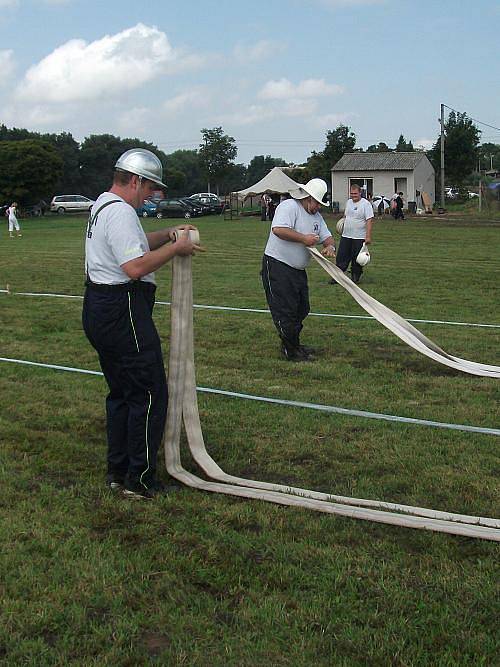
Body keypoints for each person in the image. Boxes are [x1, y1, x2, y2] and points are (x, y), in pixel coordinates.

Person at [82, 148, 201, 500]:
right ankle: (140, 478)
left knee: (122, 392)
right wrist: (177, 249)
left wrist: (166, 235)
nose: (152, 194)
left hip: (101, 307)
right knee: (149, 392)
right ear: (134, 180)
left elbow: (130, 248)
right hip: (122, 310)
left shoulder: (103, 205)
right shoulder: (119, 211)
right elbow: (134, 267)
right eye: (150, 187)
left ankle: (118, 471)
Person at [261, 178, 336, 362]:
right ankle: (291, 351)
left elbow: (327, 238)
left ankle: (293, 343)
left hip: (297, 270)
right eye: (317, 202)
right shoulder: (289, 207)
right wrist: (304, 239)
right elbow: (278, 229)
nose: (318, 207)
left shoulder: (316, 217)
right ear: (308, 197)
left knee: (302, 308)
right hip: (278, 266)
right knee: (285, 311)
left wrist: (330, 247)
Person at [332, 184, 374, 285]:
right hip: (346, 235)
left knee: (357, 258)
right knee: (341, 257)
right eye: (351, 193)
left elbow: (369, 220)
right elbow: (345, 217)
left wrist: (368, 236)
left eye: (355, 193)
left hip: (359, 237)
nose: (353, 195)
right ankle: (338, 277)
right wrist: (341, 227)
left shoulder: (366, 204)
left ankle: (355, 276)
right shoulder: (349, 203)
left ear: (360, 193)